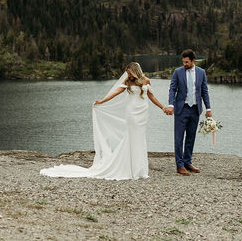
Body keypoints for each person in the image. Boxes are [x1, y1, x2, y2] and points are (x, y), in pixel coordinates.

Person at [40, 61, 168, 180]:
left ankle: (140, 169)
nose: (129, 75)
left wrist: (162, 107)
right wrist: (102, 101)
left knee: (140, 138)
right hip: (132, 113)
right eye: (128, 73)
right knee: (132, 137)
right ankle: (130, 168)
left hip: (142, 112)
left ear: (135, 71)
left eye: (130, 73)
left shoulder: (146, 81)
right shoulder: (128, 81)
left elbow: (151, 96)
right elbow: (116, 92)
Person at [165, 49, 211, 175]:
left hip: (195, 109)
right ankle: (179, 166)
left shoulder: (201, 72)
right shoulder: (177, 72)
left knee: (191, 137)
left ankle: (187, 162)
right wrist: (171, 105)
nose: (184, 64)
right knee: (179, 138)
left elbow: (204, 91)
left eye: (186, 62)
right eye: (183, 62)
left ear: (193, 61)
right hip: (181, 109)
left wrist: (208, 108)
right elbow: (172, 89)